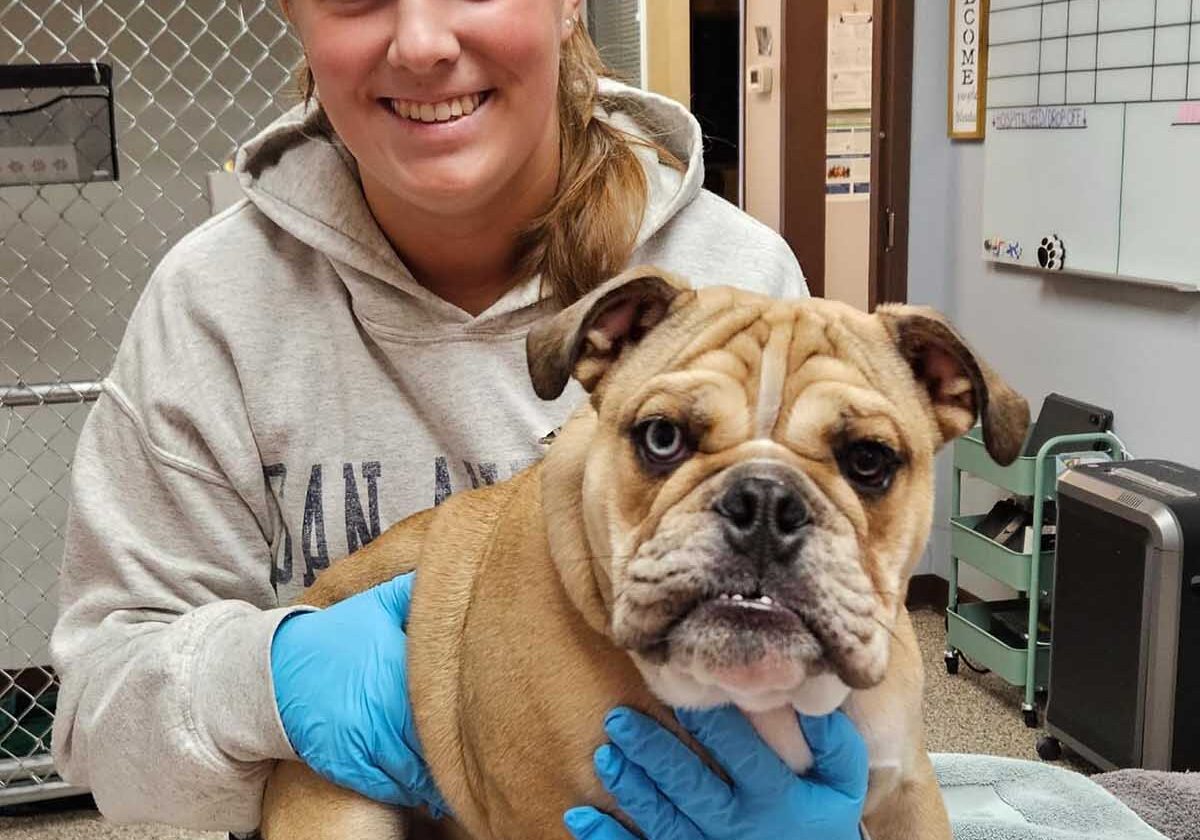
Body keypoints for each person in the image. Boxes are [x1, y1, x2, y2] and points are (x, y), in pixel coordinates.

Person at [49, 1, 869, 838]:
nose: (422, 45)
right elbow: (92, 726)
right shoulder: (213, 305)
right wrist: (269, 682)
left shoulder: (735, 280)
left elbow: (838, 630)